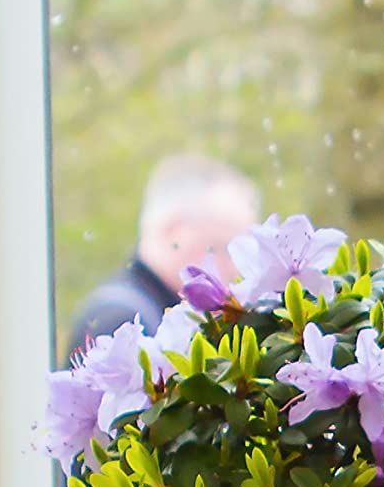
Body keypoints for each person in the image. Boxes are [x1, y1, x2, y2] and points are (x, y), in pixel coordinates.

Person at [57, 155, 261, 487]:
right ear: (172, 230)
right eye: (226, 247)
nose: (236, 269)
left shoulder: (146, 309)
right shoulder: (119, 318)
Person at [63, 153, 261, 357]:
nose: (234, 268)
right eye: (221, 248)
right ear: (172, 231)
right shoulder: (118, 322)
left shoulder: (141, 308)